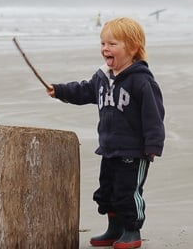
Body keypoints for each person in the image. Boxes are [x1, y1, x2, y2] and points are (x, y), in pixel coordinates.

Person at [47, 17, 165, 249]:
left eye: (112, 44)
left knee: (128, 193)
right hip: (109, 149)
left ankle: (132, 230)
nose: (105, 49)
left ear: (132, 48)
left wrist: (153, 146)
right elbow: (83, 91)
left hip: (134, 151)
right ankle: (114, 229)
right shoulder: (102, 78)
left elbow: (154, 116)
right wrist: (60, 91)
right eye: (102, 43)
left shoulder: (141, 81)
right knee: (107, 191)